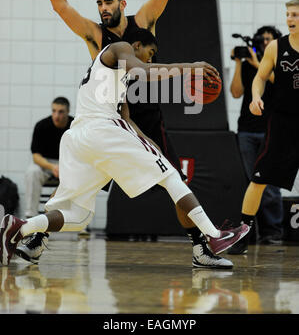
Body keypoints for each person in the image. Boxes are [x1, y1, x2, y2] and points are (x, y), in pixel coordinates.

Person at [17, 0, 232, 269]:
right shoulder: (96, 36)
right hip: (112, 118)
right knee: (73, 186)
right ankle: (37, 238)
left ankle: (200, 247)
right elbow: (60, 6)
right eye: (99, 3)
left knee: (173, 180)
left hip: (147, 113)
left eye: (108, 3)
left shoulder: (143, 21)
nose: (102, 9)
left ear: (122, 4)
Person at [0, 31, 250, 267]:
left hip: (79, 139)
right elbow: (142, 70)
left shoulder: (115, 79)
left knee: (78, 217)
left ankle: (19, 227)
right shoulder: (121, 47)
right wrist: (192, 67)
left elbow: (128, 120)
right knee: (171, 175)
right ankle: (213, 234)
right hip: (103, 131)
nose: (150, 58)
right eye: (150, 53)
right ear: (137, 46)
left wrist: (153, 148)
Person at [228, 0, 299, 254]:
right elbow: (259, 79)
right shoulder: (275, 48)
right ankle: (244, 234)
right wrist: (256, 97)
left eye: (295, 15)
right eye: (288, 14)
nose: (290, 19)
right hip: (281, 122)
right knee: (258, 180)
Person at [229, 26, 284, 254]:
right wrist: (240, 63)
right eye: (261, 39)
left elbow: (279, 84)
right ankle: (250, 233)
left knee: (269, 182)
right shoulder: (250, 62)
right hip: (247, 130)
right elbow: (235, 92)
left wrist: (255, 64)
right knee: (253, 181)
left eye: (269, 40)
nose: (264, 43)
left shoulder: (278, 61)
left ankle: (273, 231)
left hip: (271, 129)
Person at [24, 97, 73, 218]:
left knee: (86, 175)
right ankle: (30, 216)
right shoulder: (41, 126)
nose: (56, 115)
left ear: (68, 111)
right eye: (54, 111)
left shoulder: (76, 126)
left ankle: (82, 223)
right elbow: (36, 156)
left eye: (61, 111)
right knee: (32, 172)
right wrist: (53, 167)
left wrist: (65, 167)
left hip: (69, 164)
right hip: (46, 164)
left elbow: (82, 154)